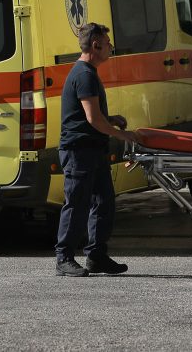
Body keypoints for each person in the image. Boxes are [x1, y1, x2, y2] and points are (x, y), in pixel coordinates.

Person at [55, 22, 139, 277]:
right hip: (79, 150)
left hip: (93, 149)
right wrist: (123, 135)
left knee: (104, 202)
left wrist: (110, 118)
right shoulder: (84, 75)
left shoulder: (88, 72)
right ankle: (63, 258)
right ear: (95, 46)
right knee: (77, 204)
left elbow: (90, 115)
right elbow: (93, 120)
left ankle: (96, 256)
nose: (111, 47)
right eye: (108, 43)